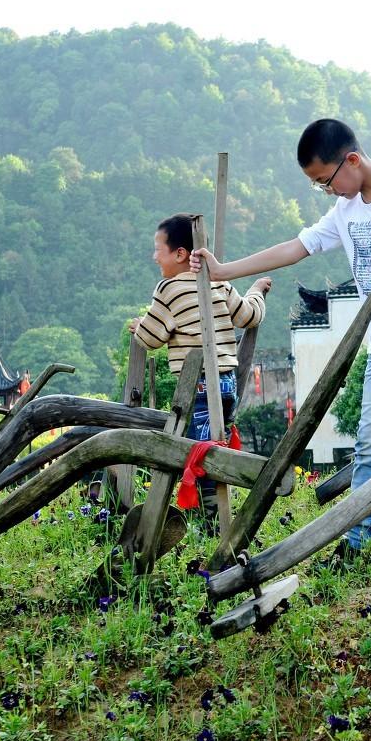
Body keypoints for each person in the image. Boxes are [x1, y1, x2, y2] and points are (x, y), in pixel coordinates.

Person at [189, 118, 371, 571]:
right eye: (318, 186)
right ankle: (358, 540)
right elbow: (295, 248)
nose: (327, 191)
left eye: (325, 181)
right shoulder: (345, 211)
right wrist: (225, 270)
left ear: (351, 160)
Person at [129, 213, 270, 531]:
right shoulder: (218, 280)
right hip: (227, 384)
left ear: (180, 254)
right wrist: (257, 290)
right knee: (216, 444)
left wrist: (139, 328)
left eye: (158, 250)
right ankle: (219, 513)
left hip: (199, 386)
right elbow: (248, 316)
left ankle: (212, 524)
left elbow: (152, 338)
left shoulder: (169, 289)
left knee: (202, 453)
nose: (154, 257)